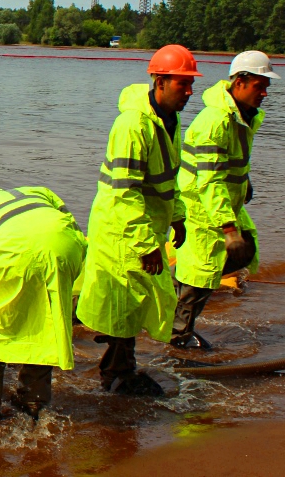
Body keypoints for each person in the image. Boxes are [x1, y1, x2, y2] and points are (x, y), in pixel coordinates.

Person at [76, 45, 200, 395]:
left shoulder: (168, 121)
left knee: (134, 301)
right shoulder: (133, 125)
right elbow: (125, 191)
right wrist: (147, 244)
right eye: (182, 83)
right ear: (160, 82)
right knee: (123, 303)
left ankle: (120, 368)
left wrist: (177, 217)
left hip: (143, 227)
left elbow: (166, 178)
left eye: (192, 84)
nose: (189, 92)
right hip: (122, 231)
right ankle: (115, 375)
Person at [0, 177, 87, 425]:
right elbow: (70, 226)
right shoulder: (37, 189)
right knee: (45, 319)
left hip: (14, 256)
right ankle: (34, 406)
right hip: (66, 252)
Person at [171, 50, 278, 348]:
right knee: (201, 275)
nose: (264, 93)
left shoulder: (241, 116)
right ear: (240, 82)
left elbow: (231, 163)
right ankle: (177, 336)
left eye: (266, 86)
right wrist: (229, 229)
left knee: (239, 253)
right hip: (203, 208)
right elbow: (209, 180)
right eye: (260, 86)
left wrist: (245, 182)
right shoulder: (216, 121)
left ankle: (170, 303)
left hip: (225, 204)